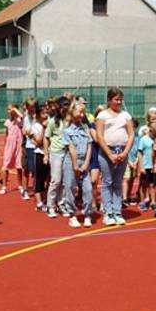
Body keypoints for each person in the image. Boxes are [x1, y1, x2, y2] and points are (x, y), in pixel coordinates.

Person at [96, 87, 134, 226]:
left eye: (120, 99)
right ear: (109, 100)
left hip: (122, 151)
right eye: (116, 99)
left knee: (118, 182)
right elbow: (99, 135)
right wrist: (109, 153)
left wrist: (124, 153)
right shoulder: (102, 115)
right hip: (107, 152)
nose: (119, 102)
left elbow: (131, 135)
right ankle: (108, 212)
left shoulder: (126, 115)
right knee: (107, 182)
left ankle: (117, 211)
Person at [63, 100, 95, 228]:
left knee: (87, 188)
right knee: (70, 187)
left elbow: (89, 146)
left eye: (83, 112)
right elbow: (71, 149)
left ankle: (87, 214)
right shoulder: (67, 130)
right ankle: (72, 215)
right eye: (80, 112)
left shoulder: (86, 128)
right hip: (71, 162)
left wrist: (86, 163)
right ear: (72, 112)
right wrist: (76, 165)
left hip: (84, 161)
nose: (82, 115)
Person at [45, 98, 70, 218]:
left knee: (65, 181)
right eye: (63, 106)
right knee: (56, 180)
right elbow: (46, 137)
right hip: (56, 153)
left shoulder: (70, 120)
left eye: (67, 106)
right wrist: (46, 154)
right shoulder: (53, 121)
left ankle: (62, 204)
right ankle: (50, 205)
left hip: (68, 153)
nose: (65, 108)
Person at [0, 103, 24, 196]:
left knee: (19, 166)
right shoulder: (7, 122)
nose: (10, 111)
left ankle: (20, 185)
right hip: (10, 145)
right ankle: (4, 186)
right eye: (9, 110)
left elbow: (21, 116)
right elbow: (6, 135)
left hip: (18, 145)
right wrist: (5, 145)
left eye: (11, 109)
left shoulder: (19, 120)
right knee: (5, 165)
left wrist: (15, 110)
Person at [30, 102, 50, 212]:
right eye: (43, 113)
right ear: (38, 115)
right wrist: (43, 127)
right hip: (39, 154)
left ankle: (46, 199)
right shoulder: (36, 126)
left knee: (49, 178)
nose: (45, 115)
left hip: (50, 154)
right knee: (39, 179)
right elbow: (38, 141)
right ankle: (39, 202)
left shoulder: (51, 123)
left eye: (46, 112)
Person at [137, 122, 156, 211]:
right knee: (143, 185)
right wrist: (141, 166)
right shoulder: (144, 139)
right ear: (150, 131)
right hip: (146, 166)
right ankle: (142, 202)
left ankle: (153, 201)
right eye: (154, 133)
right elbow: (139, 153)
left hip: (153, 166)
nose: (155, 135)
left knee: (152, 185)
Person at [22, 96, 38, 198]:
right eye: (30, 107)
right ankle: (25, 190)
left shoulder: (40, 117)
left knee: (36, 171)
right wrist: (34, 120)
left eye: (33, 107)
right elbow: (28, 132)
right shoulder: (26, 119)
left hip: (38, 147)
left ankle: (37, 190)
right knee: (27, 169)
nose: (32, 109)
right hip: (29, 147)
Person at [123, 117, 141, 207]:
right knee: (126, 178)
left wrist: (136, 161)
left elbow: (139, 150)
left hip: (135, 161)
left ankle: (129, 196)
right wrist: (129, 162)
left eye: (133, 126)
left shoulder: (138, 137)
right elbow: (124, 150)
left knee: (132, 179)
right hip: (126, 160)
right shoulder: (125, 137)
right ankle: (124, 198)